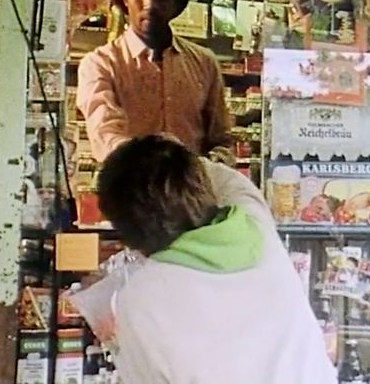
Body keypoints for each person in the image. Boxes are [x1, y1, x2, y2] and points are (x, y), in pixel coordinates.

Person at [97, 135, 337, 384]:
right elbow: (228, 180)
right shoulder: (255, 224)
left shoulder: (139, 300)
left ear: (129, 234)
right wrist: (170, 158)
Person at [77, 0, 232, 163]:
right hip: (130, 193)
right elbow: (106, 137)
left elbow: (222, 141)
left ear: (176, 0)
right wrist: (154, 169)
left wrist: (206, 168)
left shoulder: (204, 64)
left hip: (192, 193)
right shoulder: (100, 65)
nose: (150, 4)